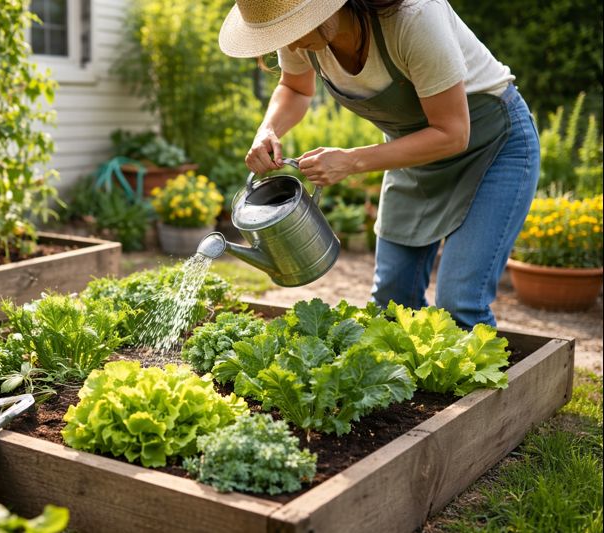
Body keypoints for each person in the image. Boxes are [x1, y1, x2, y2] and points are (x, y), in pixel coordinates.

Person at [218, 0, 540, 328]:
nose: (291, 44)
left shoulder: (414, 17)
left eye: (293, 29)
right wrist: (267, 128)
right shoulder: (297, 32)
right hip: (413, 158)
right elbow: (295, 88)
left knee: (460, 302)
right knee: (391, 300)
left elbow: (453, 133)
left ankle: (487, 381)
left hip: (492, 148)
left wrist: (351, 161)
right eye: (278, 34)